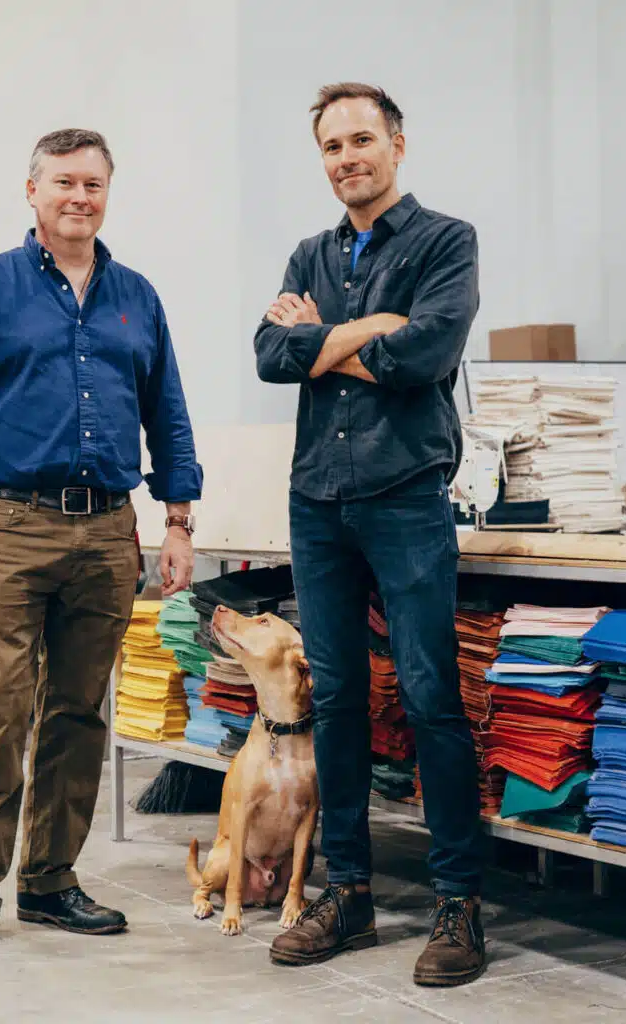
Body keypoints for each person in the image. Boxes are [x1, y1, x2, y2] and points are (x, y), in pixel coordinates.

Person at [0, 128, 202, 960]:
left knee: (77, 713)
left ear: (108, 194)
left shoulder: (136, 296)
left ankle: (49, 881)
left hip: (109, 530)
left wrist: (176, 522)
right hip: (10, 526)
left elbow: (168, 414)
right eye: (65, 182)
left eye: (93, 184)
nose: (80, 197)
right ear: (32, 190)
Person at [254, 83, 485, 986]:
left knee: (431, 697)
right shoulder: (308, 253)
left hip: (405, 495)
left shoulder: (445, 241)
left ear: (396, 144)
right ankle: (347, 892)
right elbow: (268, 356)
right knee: (338, 698)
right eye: (331, 146)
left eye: (360, 139)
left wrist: (320, 339)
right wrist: (363, 331)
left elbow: (426, 353)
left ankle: (457, 903)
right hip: (316, 498)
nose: (346, 157)